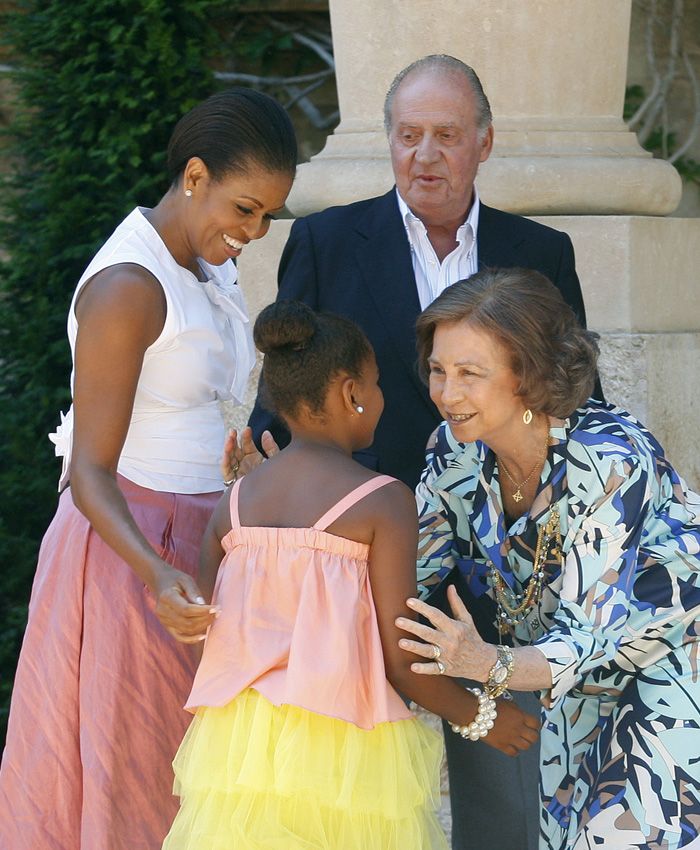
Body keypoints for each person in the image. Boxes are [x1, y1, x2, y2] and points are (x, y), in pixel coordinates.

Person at [242, 53, 597, 850]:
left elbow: (575, 404)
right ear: (389, 141)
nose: (425, 155)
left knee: (502, 787)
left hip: (497, 571)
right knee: (348, 788)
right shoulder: (328, 242)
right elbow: (282, 405)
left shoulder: (540, 251)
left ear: (484, 142)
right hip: (355, 565)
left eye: (445, 135)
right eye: (408, 136)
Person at [0, 88, 297, 850]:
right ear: (194, 176)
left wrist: (233, 461)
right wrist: (154, 575)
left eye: (266, 216)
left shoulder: (204, 263)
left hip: (199, 537)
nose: (253, 232)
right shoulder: (128, 287)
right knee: (134, 782)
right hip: (129, 551)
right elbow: (90, 471)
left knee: (198, 782)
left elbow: (193, 402)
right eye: (245, 208)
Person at [163, 301, 539, 850]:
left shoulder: (235, 503)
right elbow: (401, 657)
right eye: (377, 383)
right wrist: (484, 718)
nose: (381, 397)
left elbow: (209, 639)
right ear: (350, 393)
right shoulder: (382, 501)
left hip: (238, 747)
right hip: (343, 746)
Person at [396, 267, 700, 850]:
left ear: (528, 377)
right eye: (437, 370)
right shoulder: (453, 454)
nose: (446, 393)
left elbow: (589, 633)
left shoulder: (610, 458)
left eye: (469, 374)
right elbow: (408, 572)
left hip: (670, 670)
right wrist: (293, 521)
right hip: (572, 691)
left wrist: (486, 663)